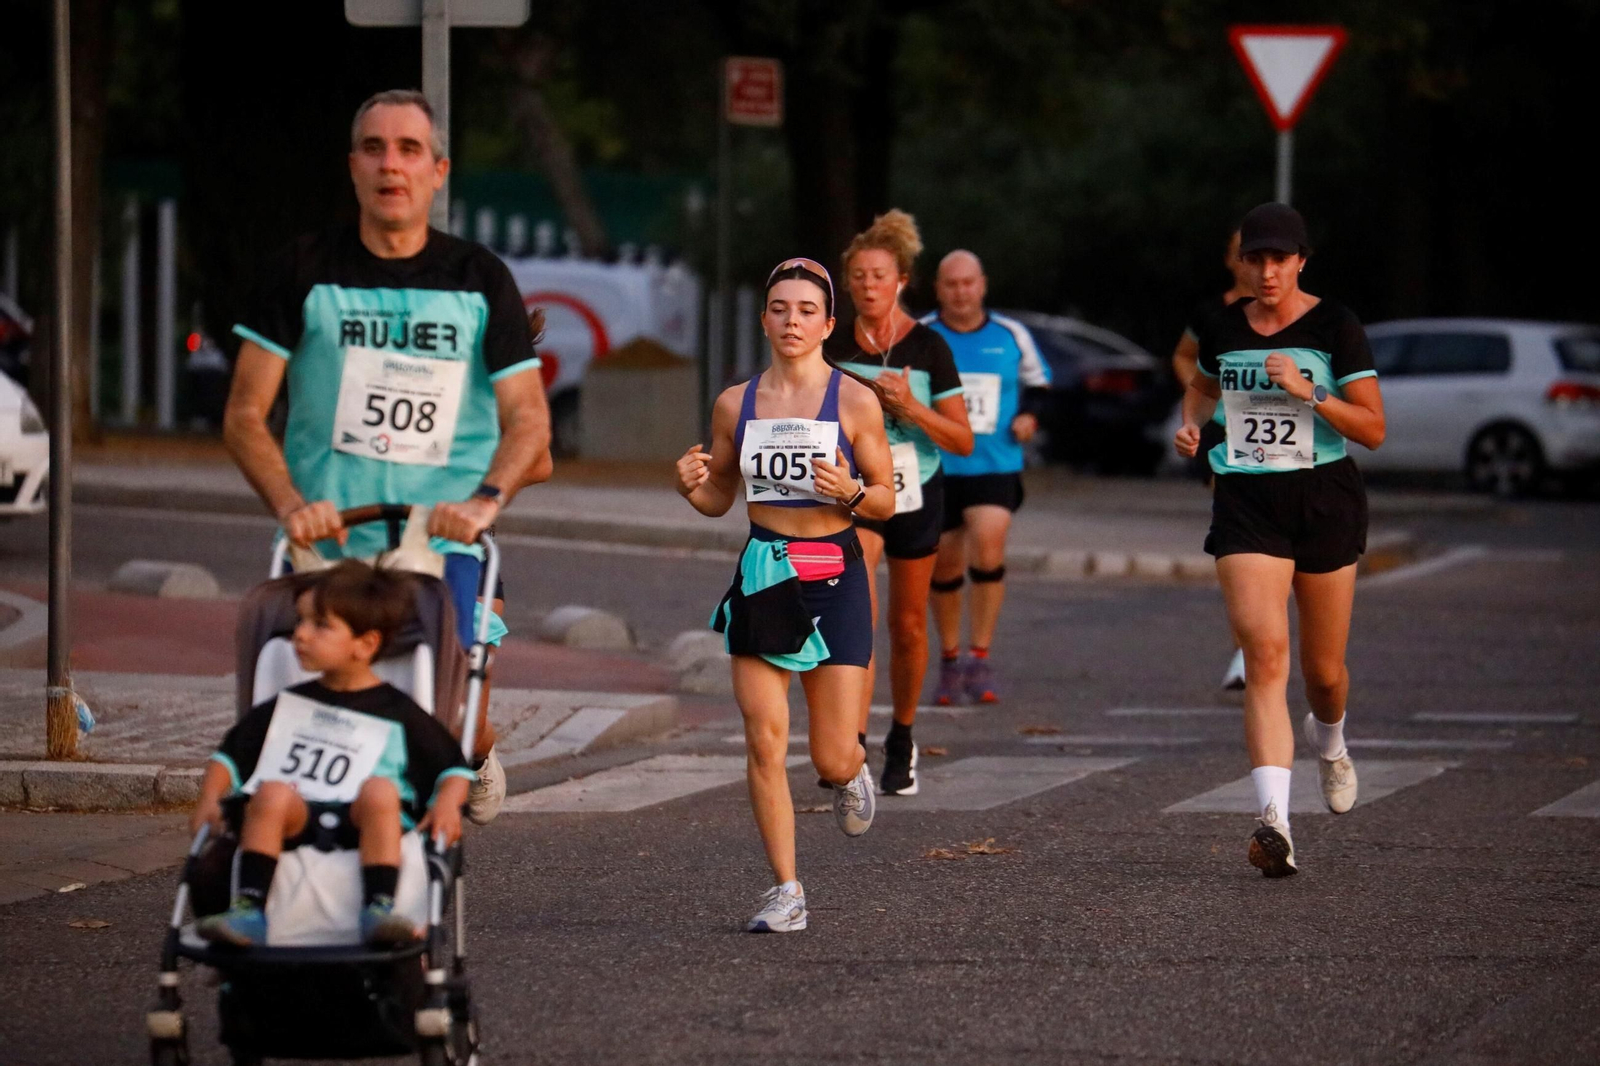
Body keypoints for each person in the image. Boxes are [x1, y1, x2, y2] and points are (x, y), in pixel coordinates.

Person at [223, 89, 553, 826]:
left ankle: (458, 776)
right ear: (353, 166)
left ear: (438, 171)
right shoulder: (302, 269)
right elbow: (244, 416)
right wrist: (290, 505)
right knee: (314, 712)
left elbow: (530, 422)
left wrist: (484, 501)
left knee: (447, 719)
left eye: (409, 150)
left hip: (439, 544)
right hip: (328, 541)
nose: (391, 165)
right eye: (374, 148)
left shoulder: (479, 279)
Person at [676, 258, 895, 932]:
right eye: (779, 309)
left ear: (828, 324)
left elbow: (886, 501)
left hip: (835, 574)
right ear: (764, 320)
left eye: (805, 311)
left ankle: (851, 771)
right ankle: (786, 890)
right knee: (764, 740)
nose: (791, 321)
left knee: (830, 754)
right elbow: (720, 496)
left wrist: (851, 492)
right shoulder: (735, 404)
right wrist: (691, 487)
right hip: (765, 574)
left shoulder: (854, 401)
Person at [1174, 202, 1386, 878]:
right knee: (1265, 655)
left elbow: (1374, 429)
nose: (1267, 272)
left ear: (1301, 261)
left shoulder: (1335, 325)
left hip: (1324, 500)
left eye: (1279, 259)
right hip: (1246, 500)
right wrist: (1192, 426)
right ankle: (1275, 824)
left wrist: (1308, 391)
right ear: (1242, 263)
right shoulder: (1221, 326)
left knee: (1323, 675)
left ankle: (1332, 741)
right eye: (1256, 259)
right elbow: (1201, 387)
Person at [191, 561, 474, 948]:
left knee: (380, 790)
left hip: (366, 819)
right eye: (300, 621)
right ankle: (249, 909)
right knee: (271, 793)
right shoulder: (289, 705)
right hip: (299, 813)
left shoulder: (398, 711)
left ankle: (379, 908)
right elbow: (229, 757)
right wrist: (210, 797)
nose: (300, 634)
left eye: (320, 625)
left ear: (365, 644)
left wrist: (447, 804)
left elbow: (453, 768)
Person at [824, 210, 973, 795]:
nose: (868, 286)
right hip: (854, 491)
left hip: (916, 490)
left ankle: (903, 737)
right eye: (858, 276)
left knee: (908, 625)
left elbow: (962, 440)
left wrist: (911, 408)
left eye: (879, 276)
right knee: (856, 613)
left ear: (902, 281)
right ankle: (853, 743)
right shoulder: (832, 344)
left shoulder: (930, 347)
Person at [919, 250, 1050, 704]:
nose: (961, 292)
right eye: (951, 284)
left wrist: (1030, 416)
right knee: (945, 563)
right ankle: (950, 657)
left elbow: (1040, 384)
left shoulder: (1011, 334)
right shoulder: (921, 334)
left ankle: (980, 655)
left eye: (968, 283)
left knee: (989, 542)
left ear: (983, 285)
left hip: (995, 462)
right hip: (937, 467)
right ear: (938, 289)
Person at [1171, 228, 1254, 692]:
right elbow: (1184, 356)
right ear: (1230, 260)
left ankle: (1264, 639)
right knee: (1241, 533)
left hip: (1284, 444)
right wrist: (1202, 398)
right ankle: (1245, 649)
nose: (1253, 264)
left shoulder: (1296, 316)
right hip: (1224, 433)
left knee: (1276, 542)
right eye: (1244, 254)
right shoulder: (1212, 314)